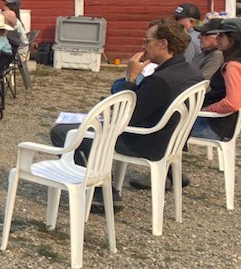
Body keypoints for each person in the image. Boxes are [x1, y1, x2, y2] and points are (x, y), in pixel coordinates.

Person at [51, 18, 202, 206]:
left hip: (144, 141)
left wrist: (130, 77)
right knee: (89, 124)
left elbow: (126, 116)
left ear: (163, 44)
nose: (143, 45)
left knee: (62, 132)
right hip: (169, 139)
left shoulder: (161, 80)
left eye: (147, 41)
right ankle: (99, 184)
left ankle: (100, 193)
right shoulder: (191, 72)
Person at [190, 17, 241, 140]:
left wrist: (204, 109)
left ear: (234, 38)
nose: (217, 38)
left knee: (166, 125)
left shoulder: (234, 66)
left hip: (214, 126)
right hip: (224, 125)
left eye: (221, 35)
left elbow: (232, 103)